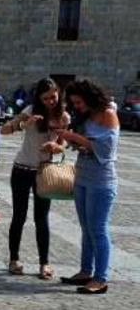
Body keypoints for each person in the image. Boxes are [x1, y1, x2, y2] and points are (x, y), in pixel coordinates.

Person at [0, 78, 69, 279]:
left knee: (42, 218)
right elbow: (4, 130)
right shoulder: (30, 110)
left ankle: (44, 263)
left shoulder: (64, 117)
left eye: (53, 97)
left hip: (44, 172)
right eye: (46, 98)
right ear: (39, 98)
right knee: (19, 216)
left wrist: (57, 147)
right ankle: (14, 259)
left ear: (58, 95)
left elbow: (63, 144)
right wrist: (23, 124)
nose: (50, 101)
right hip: (22, 169)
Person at [57, 80, 119, 294]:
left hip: (102, 180)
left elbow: (107, 149)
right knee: (85, 228)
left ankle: (101, 279)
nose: (77, 106)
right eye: (74, 103)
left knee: (98, 229)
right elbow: (82, 144)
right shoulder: (85, 116)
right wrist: (70, 141)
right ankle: (85, 271)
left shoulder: (108, 114)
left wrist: (76, 138)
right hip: (82, 176)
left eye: (79, 102)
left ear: (90, 97)